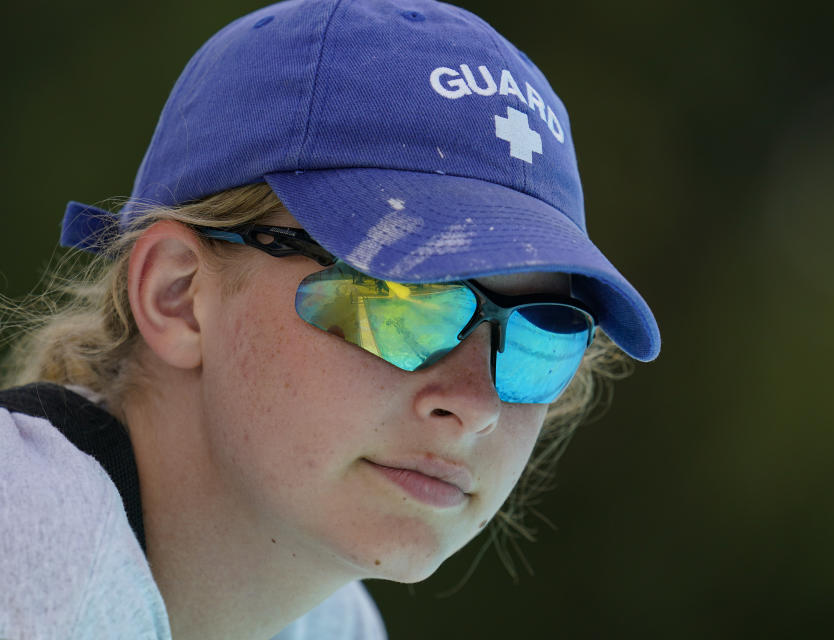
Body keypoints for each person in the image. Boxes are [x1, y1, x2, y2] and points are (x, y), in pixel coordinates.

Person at [0, 0, 660, 638]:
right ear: (178, 296)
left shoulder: (329, 621)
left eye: (544, 332)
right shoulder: (23, 536)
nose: (474, 404)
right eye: (403, 300)